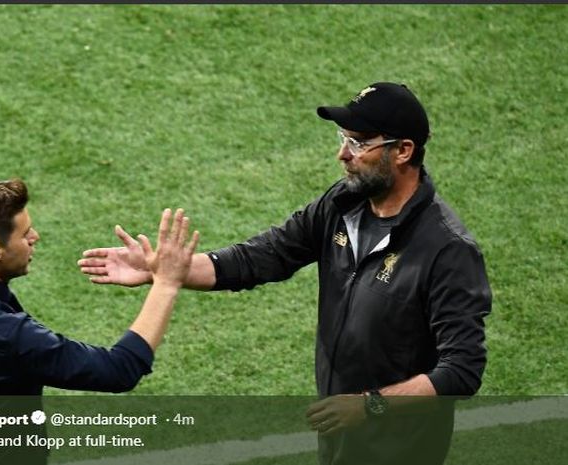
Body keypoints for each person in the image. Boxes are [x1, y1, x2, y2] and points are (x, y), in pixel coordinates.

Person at [77, 82, 492, 465]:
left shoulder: (447, 250)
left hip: (400, 447)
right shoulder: (342, 204)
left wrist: (369, 405)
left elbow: (461, 370)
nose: (342, 155)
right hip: (339, 430)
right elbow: (264, 256)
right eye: (343, 139)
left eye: (359, 143)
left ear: (403, 151)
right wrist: (168, 271)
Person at [0, 179, 198, 464]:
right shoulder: (9, 334)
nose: (35, 237)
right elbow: (119, 370)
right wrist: (166, 283)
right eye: (25, 234)